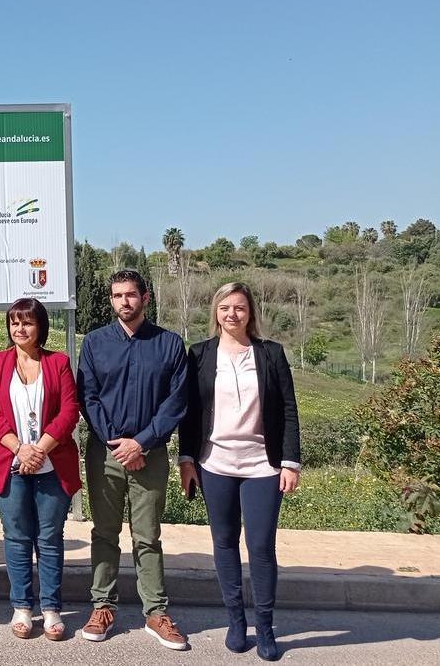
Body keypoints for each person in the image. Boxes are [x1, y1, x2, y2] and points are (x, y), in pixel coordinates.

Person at [178, 282, 301, 661]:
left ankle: (264, 626)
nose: (232, 314)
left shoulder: (270, 354)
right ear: (215, 312)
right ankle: (236, 622)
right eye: (225, 307)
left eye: (240, 308)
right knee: (224, 543)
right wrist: (186, 459)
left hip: (262, 465)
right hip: (215, 463)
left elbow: (289, 409)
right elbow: (189, 412)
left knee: (261, 547)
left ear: (251, 313)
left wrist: (290, 461)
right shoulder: (198, 354)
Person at [77, 269, 189, 651]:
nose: (123, 301)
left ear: (145, 297)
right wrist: (116, 444)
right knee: (104, 533)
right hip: (104, 453)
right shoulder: (94, 343)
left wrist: (141, 443)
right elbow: (88, 398)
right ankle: (102, 605)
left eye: (130, 294)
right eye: (116, 295)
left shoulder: (169, 345)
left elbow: (175, 402)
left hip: (151, 455)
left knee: (147, 536)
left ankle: (156, 612)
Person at [0, 298, 81, 640]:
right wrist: (19, 449)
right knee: (17, 537)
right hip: (10, 462)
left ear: (40, 327)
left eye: (27, 323)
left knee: (50, 538)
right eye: (14, 323)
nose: (19, 329)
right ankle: (22, 607)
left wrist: (39, 450)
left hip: (52, 464)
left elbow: (69, 411)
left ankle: (51, 609)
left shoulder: (59, 363)